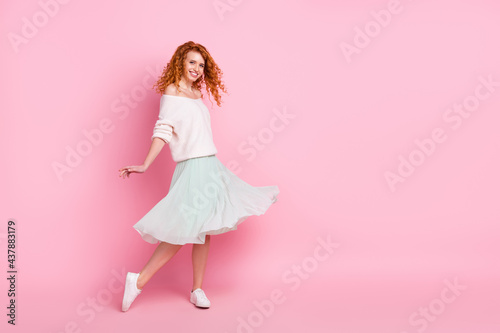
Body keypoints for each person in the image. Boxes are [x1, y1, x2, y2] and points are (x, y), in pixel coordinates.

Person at [118, 41, 279, 312]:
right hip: (192, 168)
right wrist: (145, 165)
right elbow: (164, 129)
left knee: (204, 230)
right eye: (192, 62)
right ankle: (139, 280)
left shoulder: (196, 94)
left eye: (201, 65)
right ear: (180, 62)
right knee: (185, 229)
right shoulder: (173, 92)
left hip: (210, 165)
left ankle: (197, 289)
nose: (196, 68)